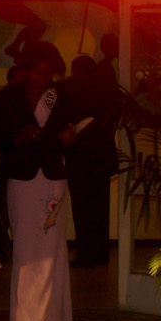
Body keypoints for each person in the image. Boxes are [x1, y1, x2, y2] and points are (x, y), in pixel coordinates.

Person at [0, 42, 75, 321]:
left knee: (53, 253)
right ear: (26, 70)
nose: (42, 79)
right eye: (37, 73)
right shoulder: (9, 97)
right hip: (21, 179)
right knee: (26, 254)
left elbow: (70, 138)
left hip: (53, 178)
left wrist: (69, 141)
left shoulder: (60, 97)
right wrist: (19, 137)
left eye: (48, 74)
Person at [62, 55, 120, 268]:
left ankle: (86, 252)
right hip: (100, 160)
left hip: (81, 159)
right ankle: (99, 252)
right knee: (100, 209)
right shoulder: (105, 92)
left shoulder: (74, 92)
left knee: (82, 210)